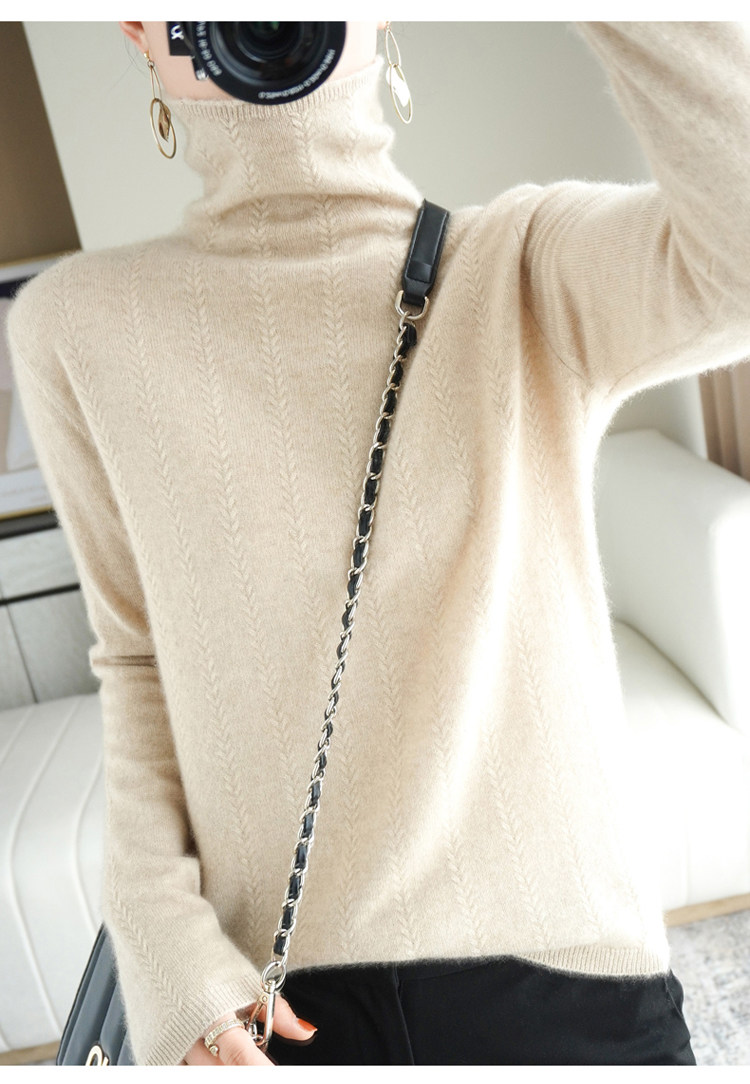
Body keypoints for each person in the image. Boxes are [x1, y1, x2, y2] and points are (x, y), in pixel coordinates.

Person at [5, 17, 750, 1067]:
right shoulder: (73, 325)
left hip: (569, 975)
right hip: (270, 999)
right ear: (138, 25)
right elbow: (135, 657)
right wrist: (160, 934)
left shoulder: (525, 267)